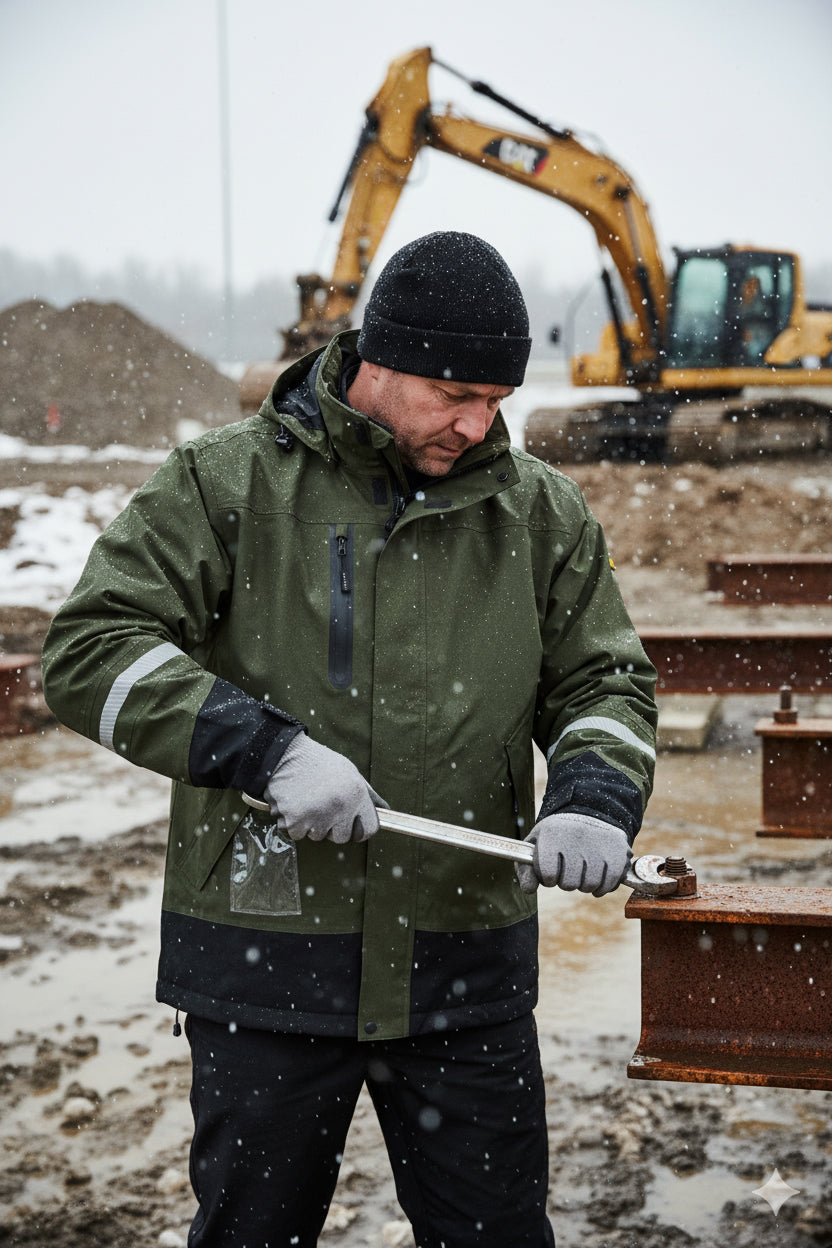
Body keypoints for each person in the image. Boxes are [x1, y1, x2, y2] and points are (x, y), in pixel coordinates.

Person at [41, 231, 657, 1248]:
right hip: (265, 964)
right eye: (454, 395)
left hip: (466, 968)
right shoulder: (225, 484)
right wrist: (265, 750)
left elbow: (605, 681)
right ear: (380, 360)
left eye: (496, 400)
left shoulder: (538, 512)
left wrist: (592, 795)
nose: (477, 424)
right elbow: (89, 650)